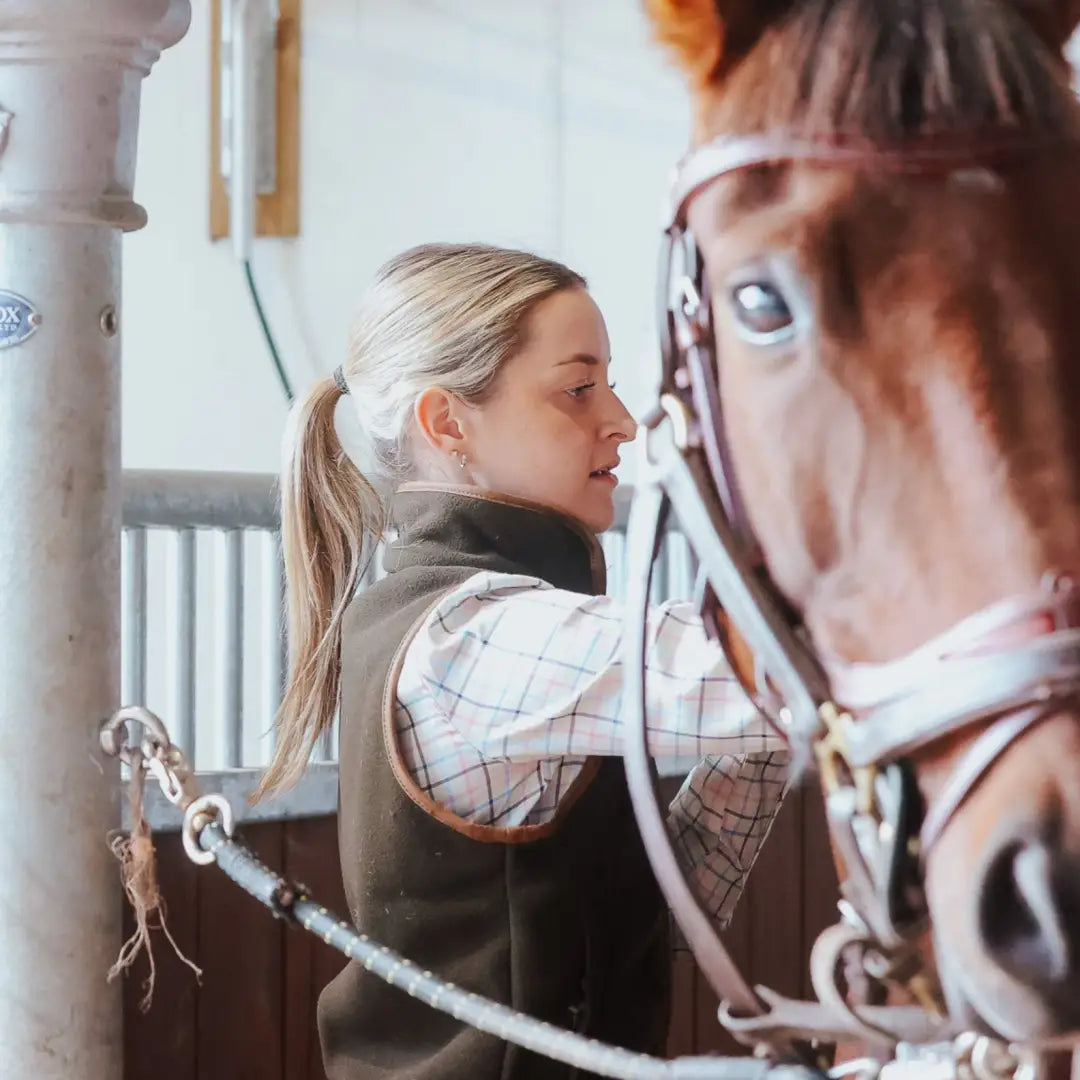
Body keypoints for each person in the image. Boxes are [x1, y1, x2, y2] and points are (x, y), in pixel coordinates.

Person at [255, 242, 788, 1080]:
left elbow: (647, 915)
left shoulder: (488, 616)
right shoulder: (475, 638)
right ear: (447, 425)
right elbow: (771, 673)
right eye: (579, 389)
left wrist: (763, 736)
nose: (621, 418)